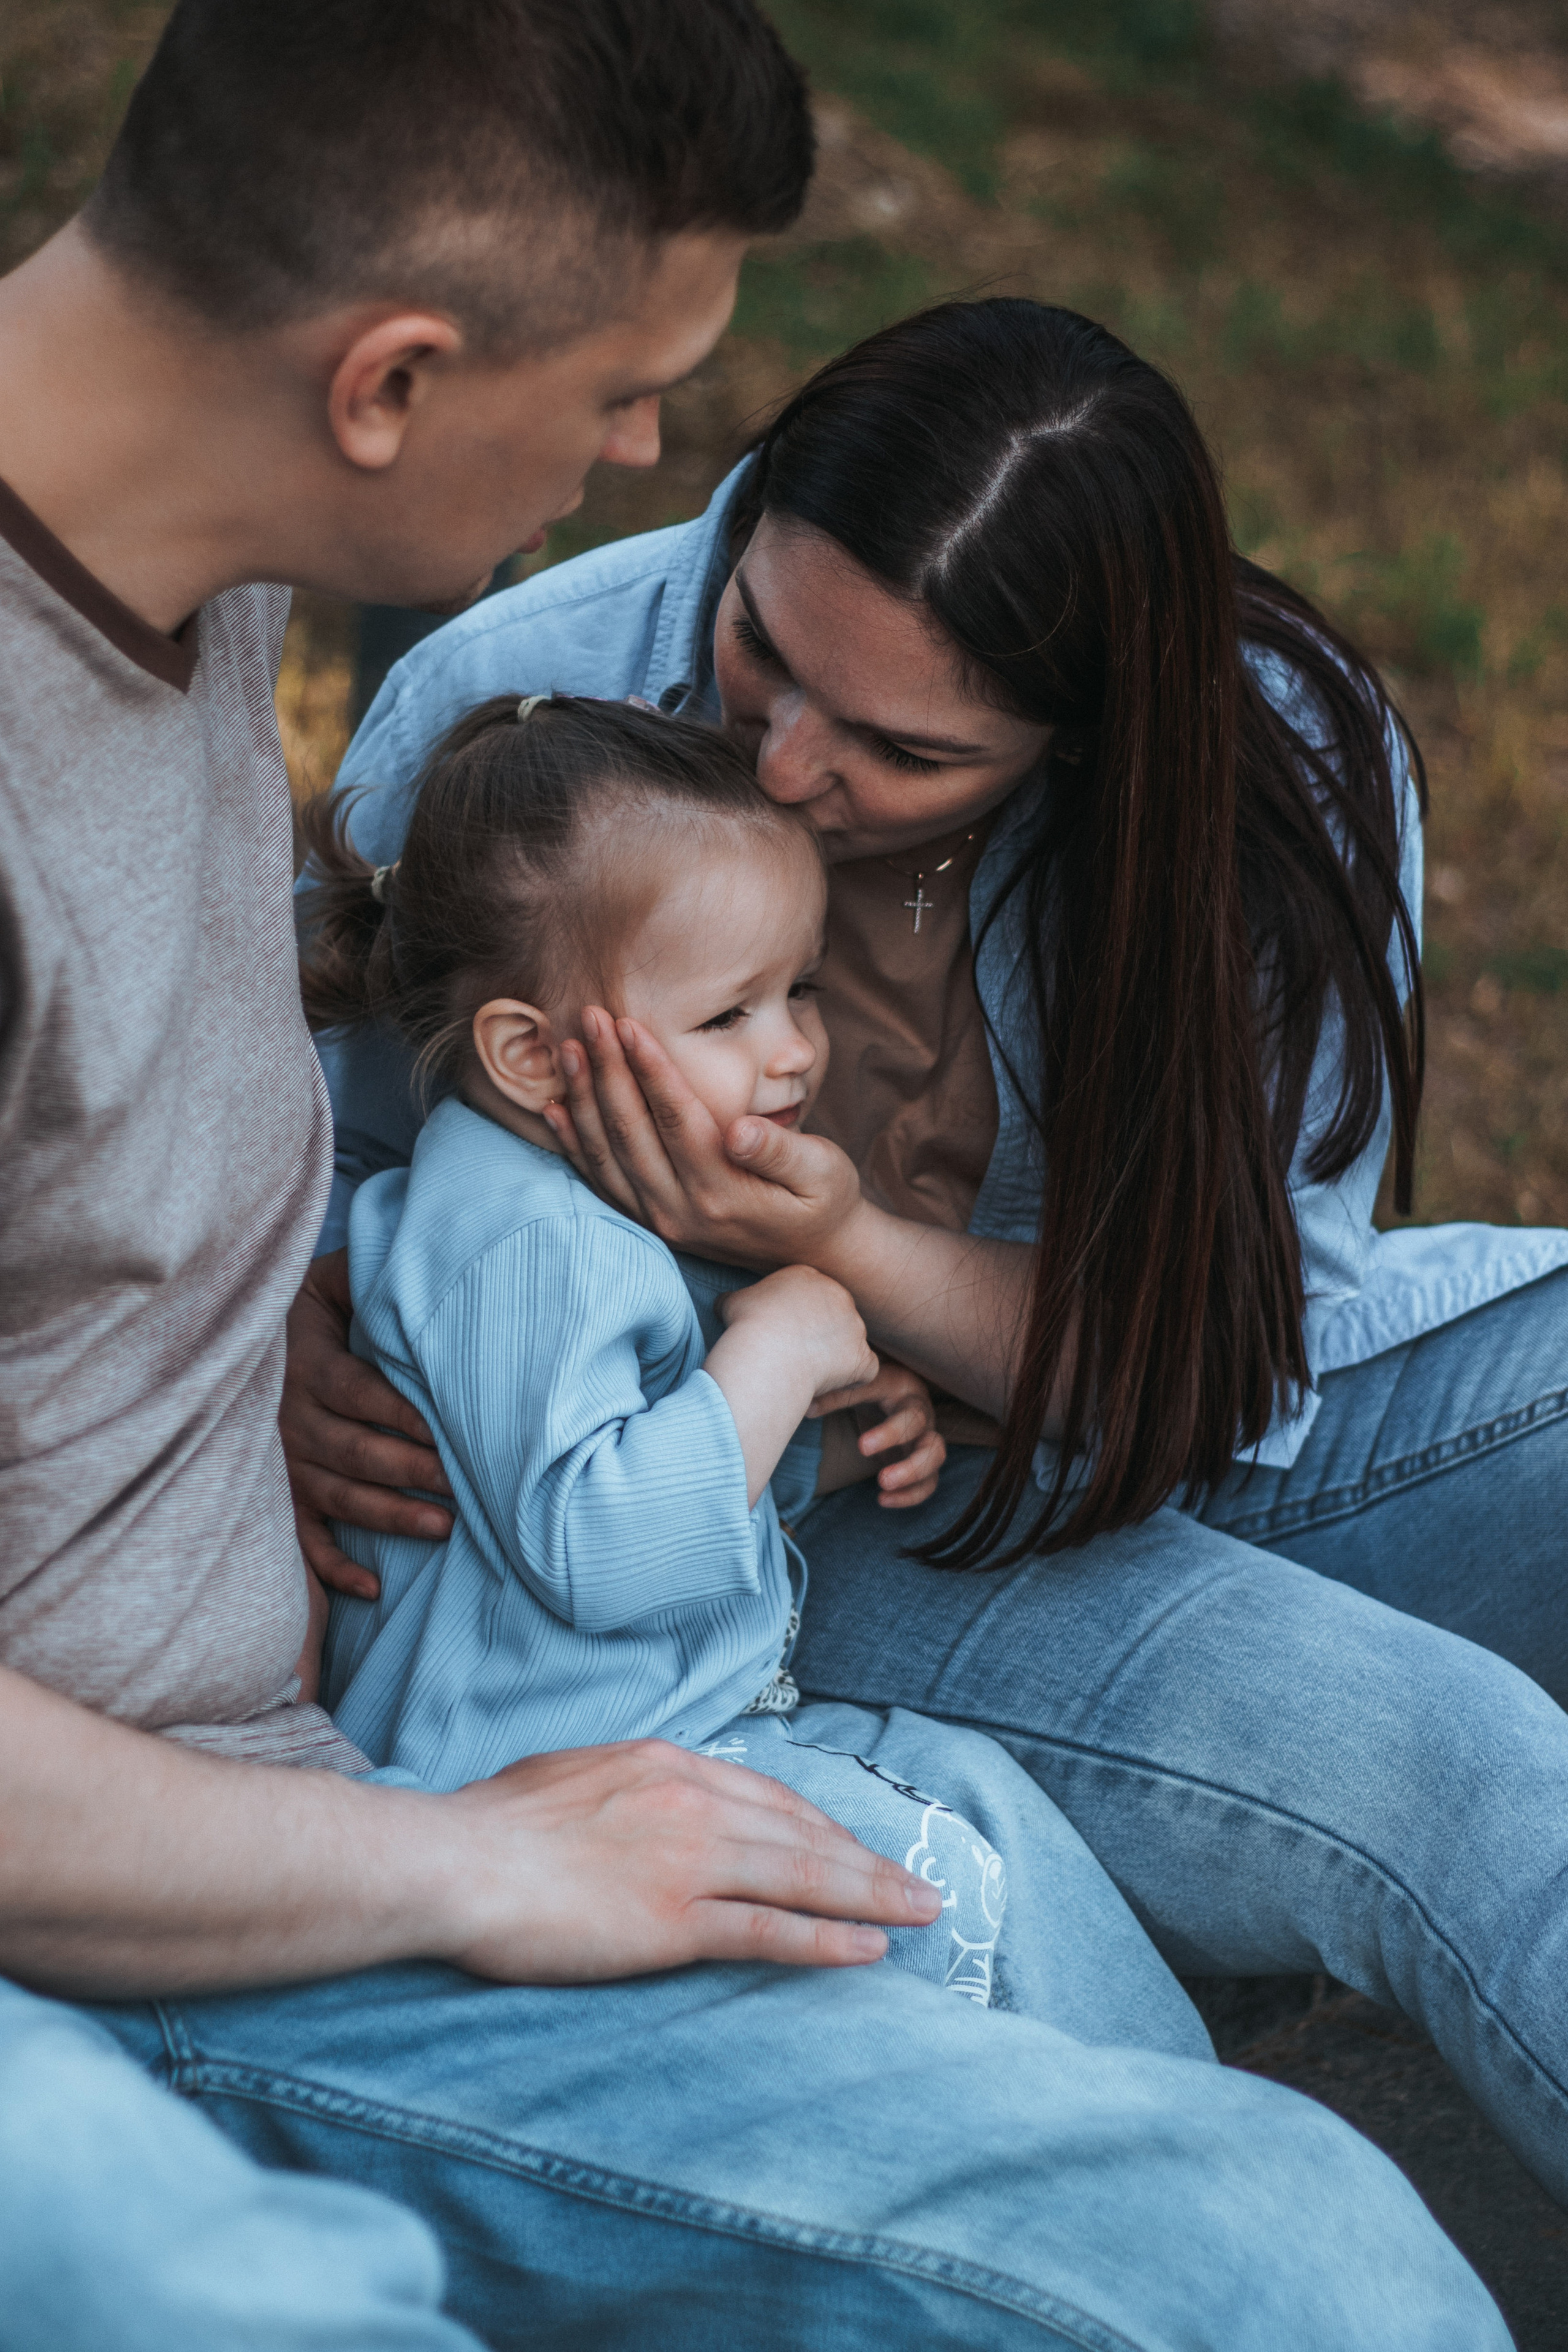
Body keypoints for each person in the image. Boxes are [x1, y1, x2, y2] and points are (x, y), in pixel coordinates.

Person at [0, 0, 1513, 2334]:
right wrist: (468, 1864)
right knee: (1291, 2275)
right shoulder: (463, 695)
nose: (646, 452)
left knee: (1305, 2149)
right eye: (627, 387)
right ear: (389, 381)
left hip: (582, 1672)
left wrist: (314, 1265)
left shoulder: (205, 589)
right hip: (304, 1845)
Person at [300, 293, 1568, 2225]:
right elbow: (277, 1159)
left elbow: (1225, 1371)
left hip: (1092, 1418)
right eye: (758, 651)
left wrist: (835, 1257)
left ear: (1084, 735)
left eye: (899, 747)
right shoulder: (529, 702)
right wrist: (289, 1328)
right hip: (758, 1521)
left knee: (1478, 1730)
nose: (789, 763)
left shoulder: (1275, 770)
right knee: (1425, 1772)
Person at [299, 690, 1029, 2003]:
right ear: (527, 1054)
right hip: (558, 1787)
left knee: (977, 1814)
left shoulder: (549, 1199)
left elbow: (607, 1454)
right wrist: (789, 1346)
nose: (794, 1049)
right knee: (961, 1871)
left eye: (796, 991)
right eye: (728, 1016)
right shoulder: (533, 1245)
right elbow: (604, 1547)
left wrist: (826, 1447)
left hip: (627, 1750)